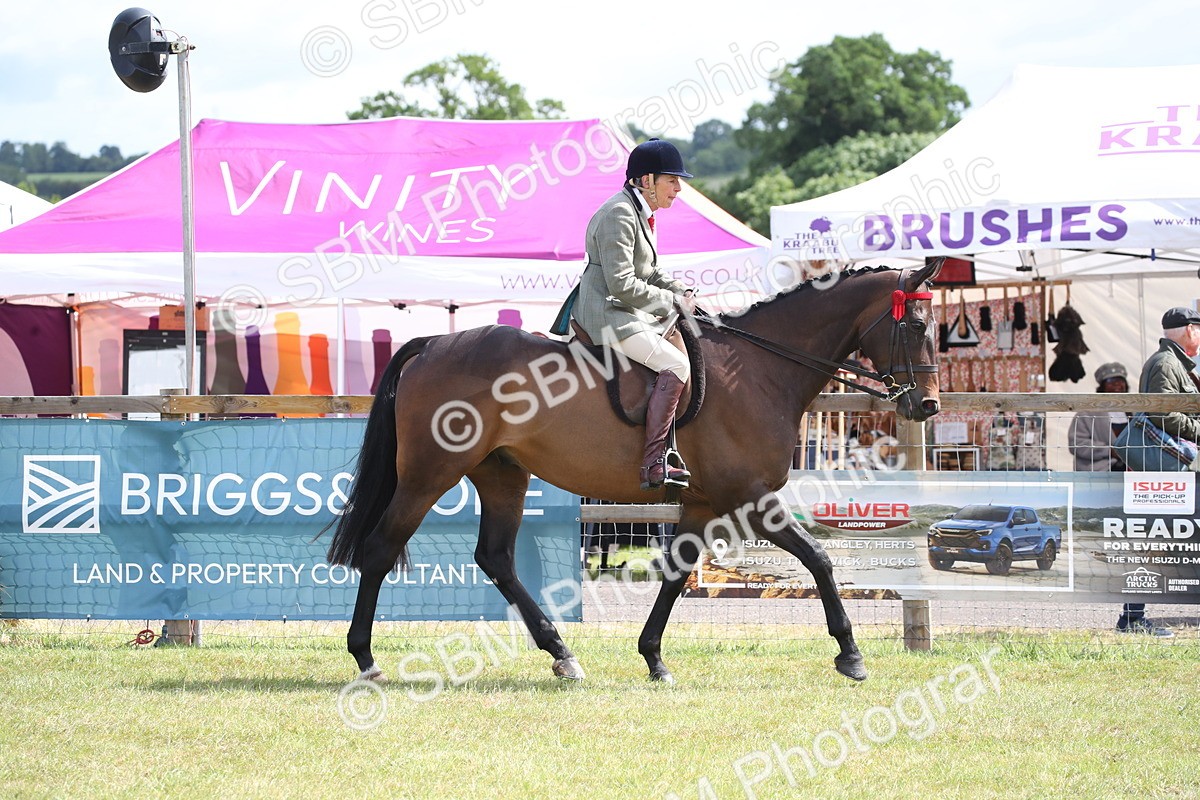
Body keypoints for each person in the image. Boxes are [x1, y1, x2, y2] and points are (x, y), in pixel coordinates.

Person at [560, 138, 697, 490]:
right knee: (677, 365)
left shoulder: (640, 212)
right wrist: (669, 304)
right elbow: (621, 284)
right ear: (647, 180)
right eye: (672, 180)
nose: (679, 189)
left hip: (624, 308)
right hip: (606, 313)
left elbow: (649, 272)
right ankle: (654, 463)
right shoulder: (619, 214)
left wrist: (680, 290)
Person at [1114, 307, 1200, 636]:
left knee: (1160, 538)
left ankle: (1132, 617)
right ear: (1190, 330)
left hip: (1172, 466)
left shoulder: (1173, 363)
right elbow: (1163, 415)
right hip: (1166, 468)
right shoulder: (1166, 364)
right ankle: (1132, 618)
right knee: (1154, 540)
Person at [1067, 362, 1129, 471]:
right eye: (1111, 381)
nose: (1116, 385)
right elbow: (1076, 443)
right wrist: (1109, 451)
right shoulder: (1086, 414)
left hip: (1132, 470)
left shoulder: (1134, 412)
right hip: (1099, 470)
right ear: (1102, 387)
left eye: (1120, 381)